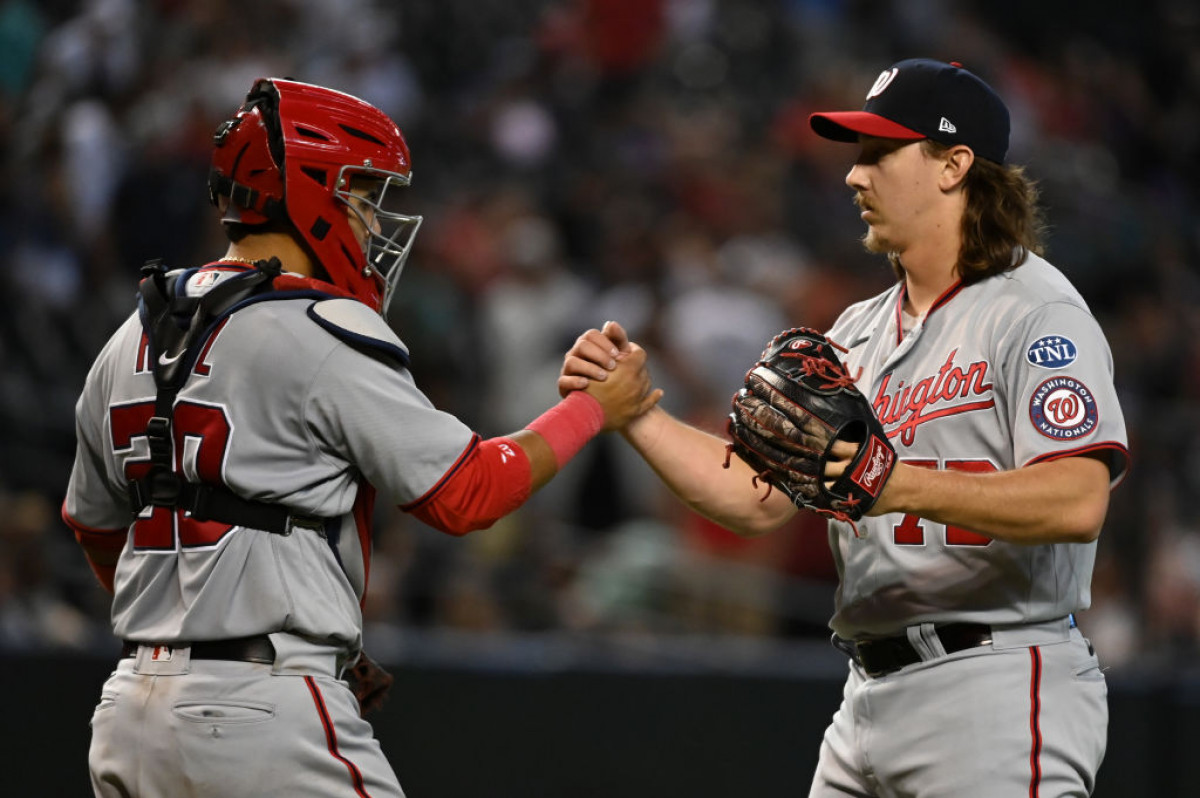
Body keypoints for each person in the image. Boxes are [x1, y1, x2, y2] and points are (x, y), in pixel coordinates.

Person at [61, 77, 660, 798]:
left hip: (128, 710)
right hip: (262, 716)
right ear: (313, 192)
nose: (372, 223)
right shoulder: (321, 327)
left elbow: (98, 530)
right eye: (363, 196)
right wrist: (594, 408)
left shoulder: (129, 335)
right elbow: (469, 492)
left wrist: (196, 629)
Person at [561, 59, 1129, 797]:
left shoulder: (1036, 312)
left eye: (879, 153)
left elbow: (1077, 501)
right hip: (866, 693)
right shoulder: (857, 334)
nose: (855, 177)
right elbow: (755, 499)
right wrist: (637, 413)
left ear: (955, 165)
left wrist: (894, 484)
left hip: (997, 679)